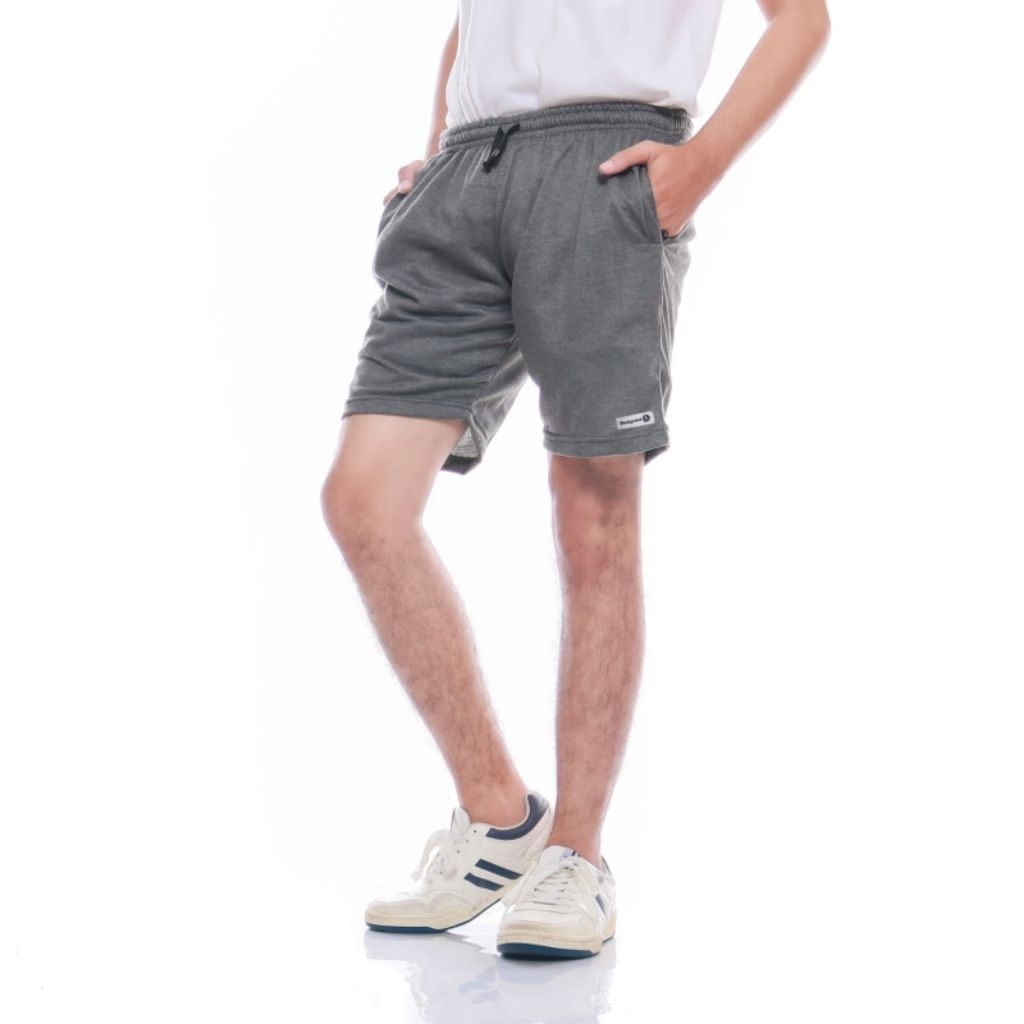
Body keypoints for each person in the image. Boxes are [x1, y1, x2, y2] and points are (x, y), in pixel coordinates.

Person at [321, 0, 830, 959]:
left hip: (605, 166)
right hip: (468, 171)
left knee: (591, 513)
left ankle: (577, 858)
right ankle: (498, 815)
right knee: (363, 503)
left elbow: (801, 19)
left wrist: (699, 167)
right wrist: (434, 154)